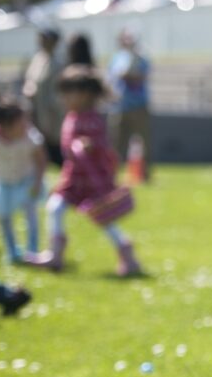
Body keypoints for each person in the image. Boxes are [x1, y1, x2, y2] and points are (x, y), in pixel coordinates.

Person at [24, 65, 143, 277]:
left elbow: (99, 144)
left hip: (91, 180)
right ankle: (55, 253)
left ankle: (127, 254)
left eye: (69, 93)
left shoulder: (91, 119)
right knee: (54, 207)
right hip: (73, 179)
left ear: (86, 95)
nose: (64, 98)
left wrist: (90, 145)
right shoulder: (72, 116)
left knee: (103, 218)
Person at [0, 96, 47, 263]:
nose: (25, 125)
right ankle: (12, 251)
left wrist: (38, 182)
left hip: (26, 180)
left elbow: (40, 160)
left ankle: (32, 250)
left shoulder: (31, 137)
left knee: (30, 215)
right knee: (4, 217)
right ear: (4, 126)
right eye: (20, 122)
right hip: (2, 182)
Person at [107, 29, 152, 183]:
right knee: (116, 143)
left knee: (143, 140)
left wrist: (128, 75)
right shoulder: (116, 58)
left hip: (138, 106)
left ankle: (145, 174)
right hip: (119, 106)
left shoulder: (141, 58)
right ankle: (112, 175)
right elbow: (111, 79)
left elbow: (141, 76)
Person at [22, 28, 64, 166]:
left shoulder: (58, 62)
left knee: (54, 140)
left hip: (53, 110)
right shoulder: (38, 58)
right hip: (37, 108)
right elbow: (30, 79)